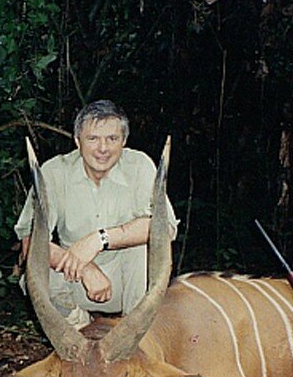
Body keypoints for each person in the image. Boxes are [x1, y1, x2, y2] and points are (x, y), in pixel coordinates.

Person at [15, 100, 178, 328]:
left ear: (124, 141)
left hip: (130, 286)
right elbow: (30, 242)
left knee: (143, 245)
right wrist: (85, 268)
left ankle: (136, 335)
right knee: (37, 274)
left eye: (112, 139)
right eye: (93, 139)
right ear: (77, 141)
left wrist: (99, 240)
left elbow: (165, 229)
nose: (103, 148)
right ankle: (81, 332)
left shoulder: (139, 166)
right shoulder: (53, 172)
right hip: (75, 280)